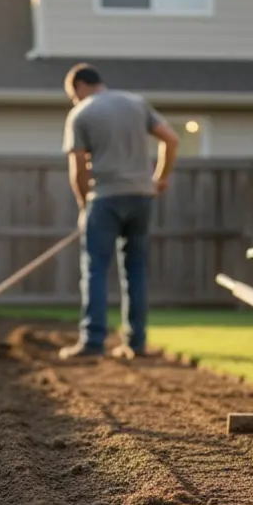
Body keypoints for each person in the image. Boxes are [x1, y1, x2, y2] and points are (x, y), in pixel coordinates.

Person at [59, 63, 179, 360]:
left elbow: (77, 170)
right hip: (141, 197)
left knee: (96, 269)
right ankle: (136, 343)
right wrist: (160, 179)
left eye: (73, 95)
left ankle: (93, 342)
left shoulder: (82, 113)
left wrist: (83, 205)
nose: (74, 100)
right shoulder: (136, 104)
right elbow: (172, 139)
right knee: (135, 269)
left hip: (105, 198)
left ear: (79, 86)